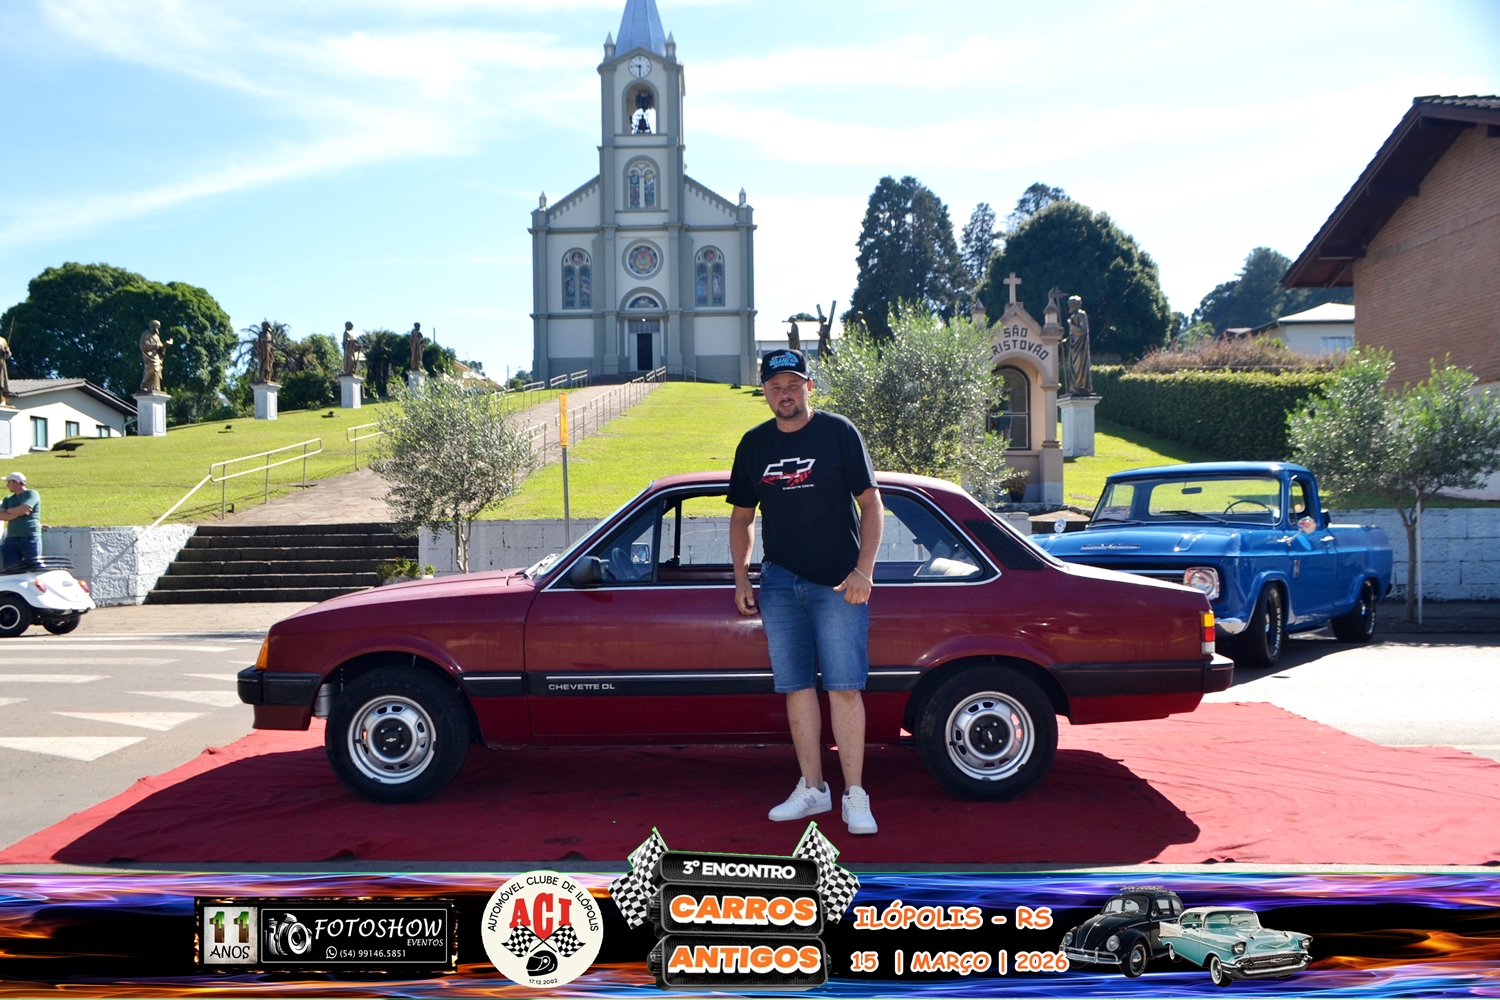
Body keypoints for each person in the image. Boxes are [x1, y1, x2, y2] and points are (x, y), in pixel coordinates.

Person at [728, 348, 884, 835]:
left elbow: (872, 504)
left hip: (839, 583)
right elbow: (741, 517)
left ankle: (855, 794)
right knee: (795, 688)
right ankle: (814, 789)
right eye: (775, 387)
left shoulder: (839, 432)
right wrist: (741, 576)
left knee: (844, 687)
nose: (785, 394)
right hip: (778, 582)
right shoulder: (753, 444)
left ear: (808, 387)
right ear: (764, 392)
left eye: (793, 385)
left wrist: (863, 571)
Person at [0, 472, 41, 568]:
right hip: (11, 538)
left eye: (9, 482)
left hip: (29, 536)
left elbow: (24, 509)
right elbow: (1, 516)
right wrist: (19, 512)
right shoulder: (8, 499)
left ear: (17, 482)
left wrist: (8, 511)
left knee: (33, 567)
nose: (7, 485)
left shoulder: (31, 494)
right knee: (10, 569)